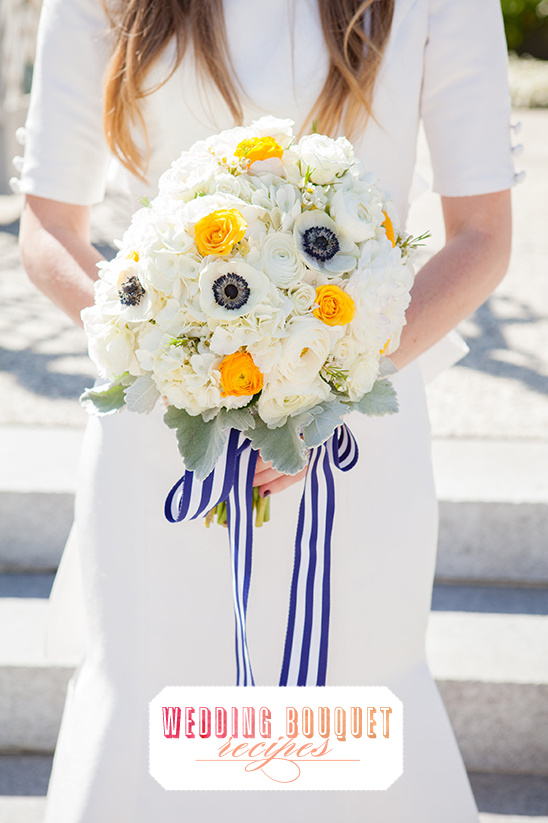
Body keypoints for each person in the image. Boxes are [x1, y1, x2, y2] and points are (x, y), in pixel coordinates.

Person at [14, 0, 516, 819]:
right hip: (165, 433)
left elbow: (483, 236)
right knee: (160, 687)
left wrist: (328, 385)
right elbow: (48, 230)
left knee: (353, 698)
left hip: (362, 429)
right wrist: (170, 353)